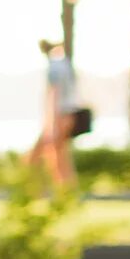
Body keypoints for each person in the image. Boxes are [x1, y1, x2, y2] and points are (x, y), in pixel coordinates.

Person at [30, 37, 84, 190]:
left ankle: (45, 187)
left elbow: (54, 94)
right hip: (69, 113)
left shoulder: (54, 68)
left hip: (60, 115)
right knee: (59, 153)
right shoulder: (65, 64)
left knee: (53, 154)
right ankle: (64, 188)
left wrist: (51, 122)